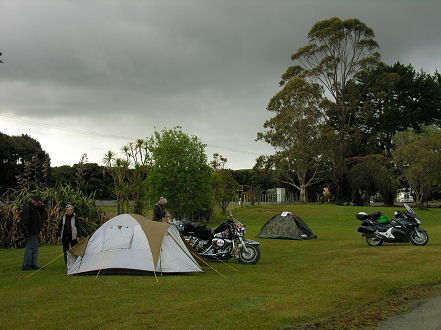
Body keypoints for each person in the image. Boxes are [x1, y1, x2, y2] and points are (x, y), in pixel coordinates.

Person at [21, 194, 45, 270]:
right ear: (32, 200)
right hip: (30, 232)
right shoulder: (28, 208)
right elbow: (24, 222)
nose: (38, 203)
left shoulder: (36, 208)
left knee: (35, 249)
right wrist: (26, 233)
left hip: (35, 231)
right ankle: (26, 265)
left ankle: (34, 264)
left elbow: (43, 214)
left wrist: (41, 206)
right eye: (37, 201)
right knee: (29, 248)